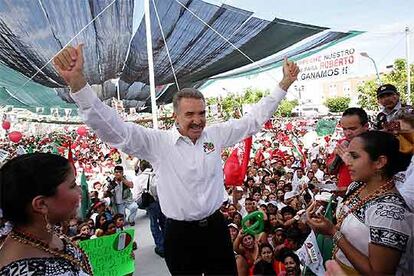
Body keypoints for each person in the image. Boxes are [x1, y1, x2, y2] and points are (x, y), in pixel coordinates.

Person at [53, 44, 299, 275]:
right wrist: (78, 84)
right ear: (175, 116)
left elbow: (253, 120)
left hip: (216, 228)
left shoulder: (215, 135)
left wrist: (284, 84)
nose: (198, 120)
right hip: (179, 234)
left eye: (202, 113)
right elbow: (115, 129)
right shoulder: (157, 143)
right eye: (190, 114)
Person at [307, 131, 413, 275]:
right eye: (348, 155)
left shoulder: (390, 213)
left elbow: (378, 273)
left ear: (379, 162)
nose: (347, 162)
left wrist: (333, 232)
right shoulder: (356, 186)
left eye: (355, 156)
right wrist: (325, 225)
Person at [0, 153, 92, 275]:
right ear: (41, 204)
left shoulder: (48, 235)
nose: (80, 191)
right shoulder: (19, 271)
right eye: (73, 185)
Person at [327, 107, 369, 194]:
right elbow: (331, 170)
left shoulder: (375, 144)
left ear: (366, 126)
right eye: (344, 129)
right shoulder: (342, 143)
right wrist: (337, 156)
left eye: (353, 129)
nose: (348, 133)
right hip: (344, 198)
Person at [133, 160, 166, 258]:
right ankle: (168, 243)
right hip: (161, 201)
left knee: (154, 224)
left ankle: (161, 247)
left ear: (141, 168)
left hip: (150, 203)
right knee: (164, 222)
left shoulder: (139, 178)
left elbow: (136, 195)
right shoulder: (156, 174)